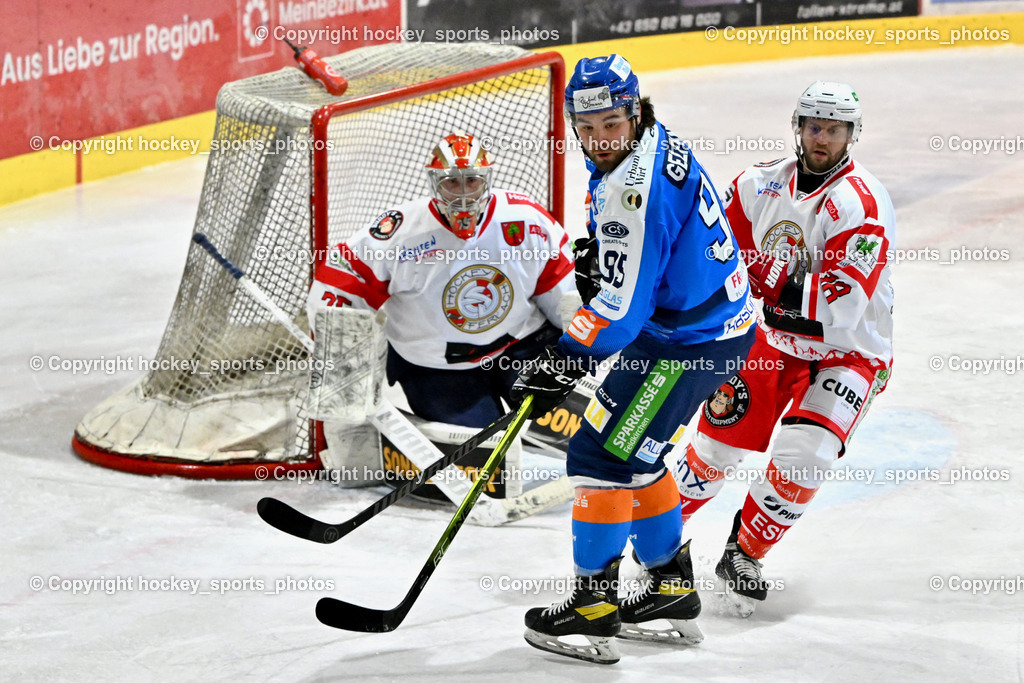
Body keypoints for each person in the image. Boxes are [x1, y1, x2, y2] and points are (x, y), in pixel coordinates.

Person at [510, 55, 756, 664]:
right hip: (701, 326)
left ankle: (594, 608)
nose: (597, 140)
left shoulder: (630, 189)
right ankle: (671, 592)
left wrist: (564, 357)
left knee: (599, 455)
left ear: (634, 112)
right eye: (586, 127)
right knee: (636, 454)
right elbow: (654, 253)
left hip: (684, 342)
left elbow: (617, 317)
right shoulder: (657, 141)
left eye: (610, 124)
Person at [673, 81, 895, 616]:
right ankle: (647, 535)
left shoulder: (860, 204)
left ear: (851, 134)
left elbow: (839, 304)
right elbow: (713, 253)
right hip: (771, 342)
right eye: (814, 126)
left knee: (807, 454)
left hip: (847, 352)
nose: (823, 139)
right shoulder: (757, 184)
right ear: (799, 126)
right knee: (713, 452)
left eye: (834, 129)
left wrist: (767, 278)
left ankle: (744, 552)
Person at [306, 132, 576, 428]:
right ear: (435, 183)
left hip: (520, 345)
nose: (462, 194)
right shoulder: (400, 233)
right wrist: (340, 362)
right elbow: (341, 281)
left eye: (471, 181)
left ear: (487, 179)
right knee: (480, 459)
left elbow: (559, 286)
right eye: (451, 182)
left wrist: (581, 346)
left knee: (579, 427)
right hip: (435, 367)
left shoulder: (524, 219)